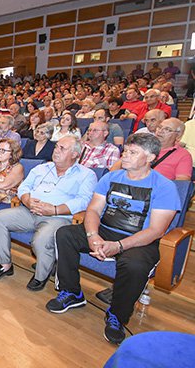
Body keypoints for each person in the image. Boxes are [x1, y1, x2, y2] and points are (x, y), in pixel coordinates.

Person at [48, 133, 180, 345]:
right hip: (106, 230)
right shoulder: (110, 177)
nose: (125, 156)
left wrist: (119, 246)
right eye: (125, 151)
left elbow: (156, 230)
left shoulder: (164, 186)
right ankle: (71, 292)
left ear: (151, 157)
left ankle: (117, 315)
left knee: (135, 264)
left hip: (139, 239)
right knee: (65, 234)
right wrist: (93, 236)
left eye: (133, 153)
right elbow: (93, 210)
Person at [0, 136, 97, 291]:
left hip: (57, 217)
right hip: (30, 210)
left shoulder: (86, 174)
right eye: (56, 146)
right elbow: (24, 187)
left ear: (74, 154)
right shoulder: (42, 168)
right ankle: (4, 265)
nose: (56, 150)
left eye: (62, 148)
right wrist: (28, 200)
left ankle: (41, 275)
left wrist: (55, 209)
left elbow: (85, 201)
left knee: (41, 240)